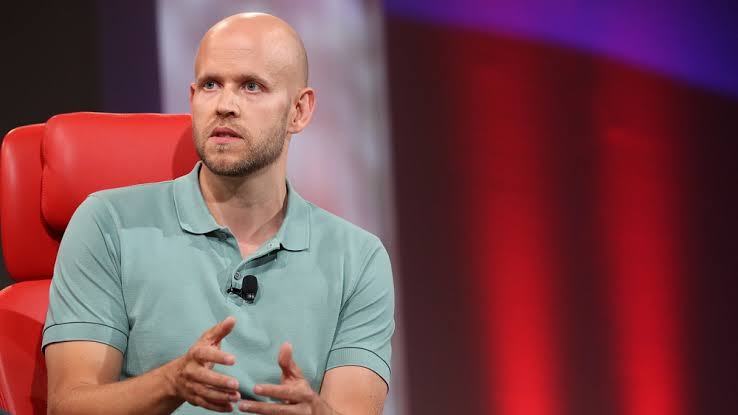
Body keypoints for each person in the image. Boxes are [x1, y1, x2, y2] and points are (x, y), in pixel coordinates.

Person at [42, 12, 394, 415]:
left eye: (251, 86)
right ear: (192, 97)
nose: (225, 105)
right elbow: (67, 405)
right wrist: (171, 383)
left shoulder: (358, 258)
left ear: (299, 110)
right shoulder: (108, 224)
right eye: (211, 85)